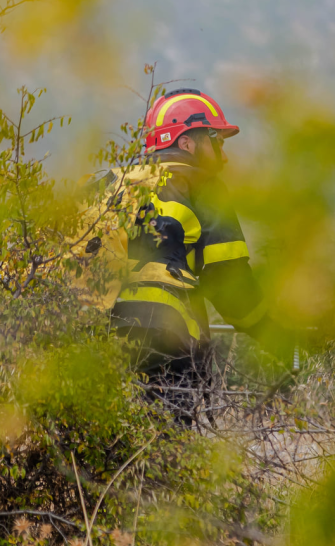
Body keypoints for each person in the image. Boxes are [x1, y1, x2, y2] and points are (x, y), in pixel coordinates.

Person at [98, 88, 291, 425]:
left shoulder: (114, 182)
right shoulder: (204, 187)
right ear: (187, 142)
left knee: (114, 452)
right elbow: (228, 285)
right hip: (170, 345)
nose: (224, 155)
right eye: (216, 140)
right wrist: (276, 337)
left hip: (102, 343)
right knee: (168, 459)